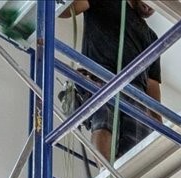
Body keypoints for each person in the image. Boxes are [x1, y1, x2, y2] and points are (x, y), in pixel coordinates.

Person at [58, 0, 162, 163]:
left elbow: (152, 85)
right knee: (104, 122)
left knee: (134, 148)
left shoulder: (152, 38)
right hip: (102, 77)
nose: (150, 7)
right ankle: (105, 172)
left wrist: (159, 127)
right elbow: (65, 10)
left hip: (136, 93)